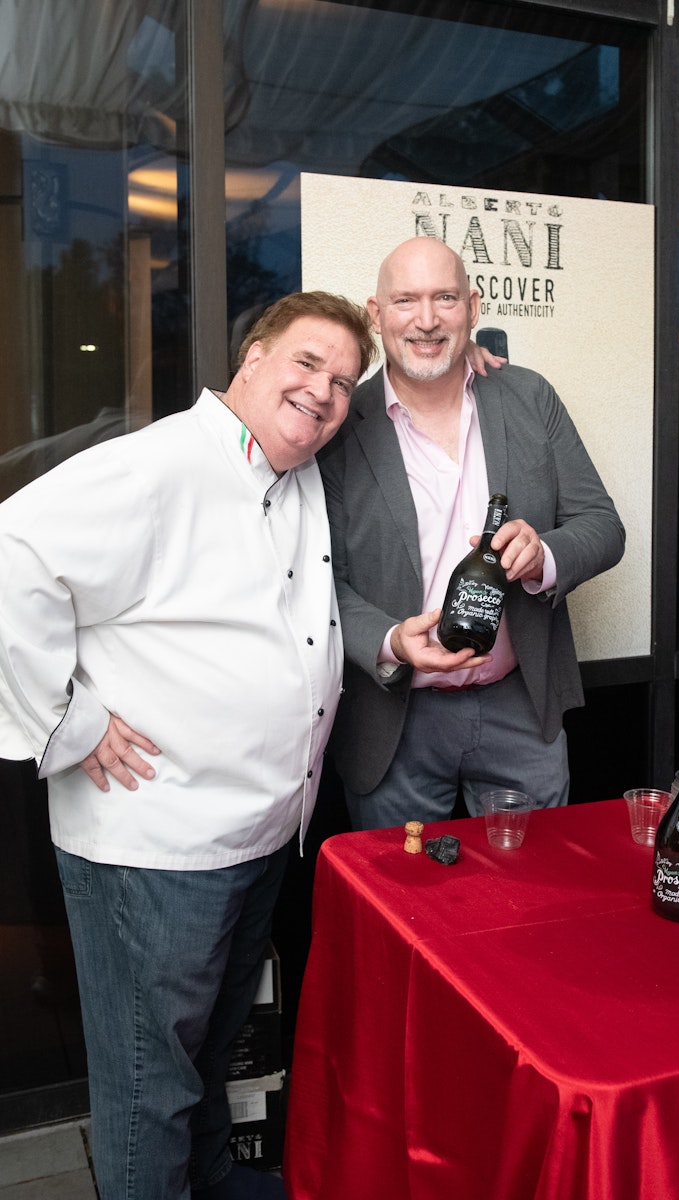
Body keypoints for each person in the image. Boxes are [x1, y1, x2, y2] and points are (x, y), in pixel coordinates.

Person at [0, 291, 376, 1200]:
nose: (323, 391)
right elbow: (13, 555)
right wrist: (70, 724)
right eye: (306, 363)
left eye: (343, 382)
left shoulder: (294, 472)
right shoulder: (160, 463)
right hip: (158, 845)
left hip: (255, 832)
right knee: (150, 1085)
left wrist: (467, 363)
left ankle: (207, 1185)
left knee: (211, 1056)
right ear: (252, 359)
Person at [318, 236, 625, 831]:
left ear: (473, 307)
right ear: (376, 314)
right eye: (405, 300)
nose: (427, 319)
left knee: (532, 882)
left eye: (445, 298)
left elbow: (603, 526)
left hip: (520, 706)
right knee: (402, 887)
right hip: (393, 717)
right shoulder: (338, 424)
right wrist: (390, 640)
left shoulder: (529, 396)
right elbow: (321, 581)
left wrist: (544, 555)